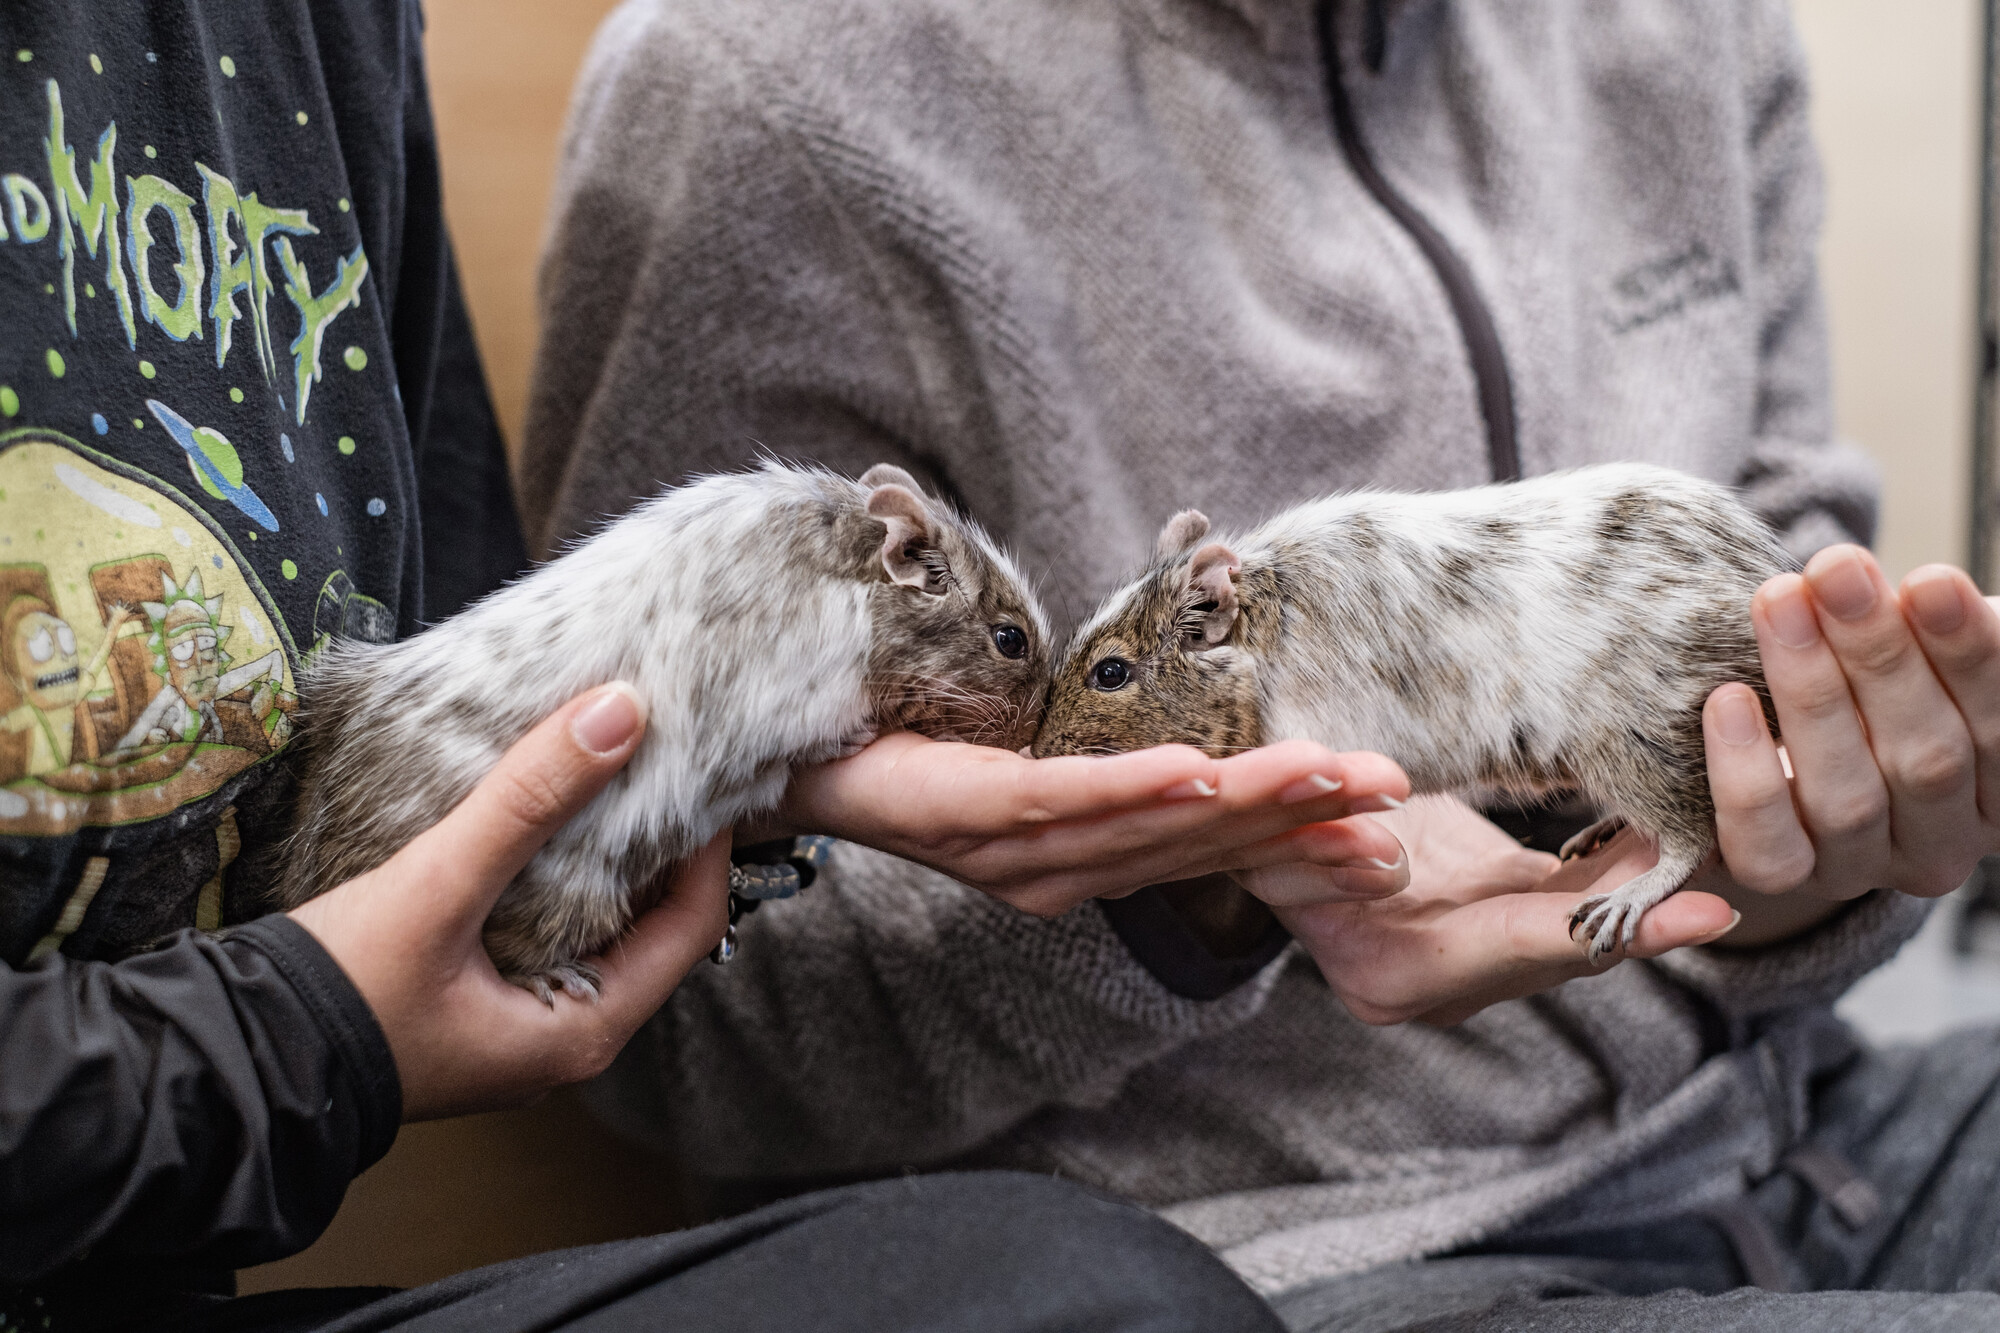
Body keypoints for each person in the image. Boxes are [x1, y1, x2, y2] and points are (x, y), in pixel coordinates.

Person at [520, 0, 2000, 1326]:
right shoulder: (761, 94)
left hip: (1794, 1127)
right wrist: (1186, 883)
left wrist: (1801, 858)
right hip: (1280, 1259)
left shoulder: (1695, 28)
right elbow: (674, 1009)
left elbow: (1787, 579)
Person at [0, 5, 1410, 1331]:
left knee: (1082, 1296)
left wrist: (779, 803)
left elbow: (459, 649)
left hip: (171, 1262)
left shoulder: (320, 33)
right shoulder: (764, 89)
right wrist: (305, 1035)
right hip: (206, 1121)